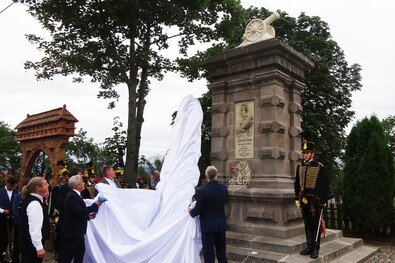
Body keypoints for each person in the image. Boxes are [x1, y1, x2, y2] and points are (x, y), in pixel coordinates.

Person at [294, 140, 333, 259]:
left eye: (307, 153)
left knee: (316, 226)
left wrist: (321, 201)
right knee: (307, 224)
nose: (305, 155)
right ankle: (309, 246)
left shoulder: (320, 167)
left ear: (313, 154)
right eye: (304, 153)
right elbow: (297, 183)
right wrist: (297, 197)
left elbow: (324, 185)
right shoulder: (299, 166)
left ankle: (316, 249)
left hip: (315, 202)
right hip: (304, 201)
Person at [60, 174, 105, 263]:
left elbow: (76, 213)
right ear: (77, 185)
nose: (84, 183)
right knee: (68, 256)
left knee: (79, 254)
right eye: (82, 182)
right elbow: (80, 211)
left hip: (78, 232)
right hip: (72, 233)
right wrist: (95, 204)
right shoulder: (72, 196)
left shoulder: (76, 195)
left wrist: (88, 217)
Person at [189, 166, 228, 263]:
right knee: (222, 253)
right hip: (220, 225)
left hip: (208, 227)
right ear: (216, 174)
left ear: (206, 176)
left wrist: (191, 211)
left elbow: (197, 211)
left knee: (209, 254)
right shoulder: (224, 189)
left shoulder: (202, 192)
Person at [19, 177, 50, 263]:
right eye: (45, 183)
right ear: (38, 188)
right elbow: (34, 227)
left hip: (29, 244)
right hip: (31, 246)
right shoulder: (35, 203)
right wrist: (39, 247)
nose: (48, 185)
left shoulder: (33, 200)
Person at [12, 177, 31, 263]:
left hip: (28, 225)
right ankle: (15, 259)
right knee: (17, 243)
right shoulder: (18, 196)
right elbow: (15, 210)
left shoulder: (31, 197)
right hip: (19, 224)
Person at [0, 176, 19, 261]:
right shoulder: (0, 191)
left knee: (13, 237)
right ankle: (2, 254)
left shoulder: (17, 192)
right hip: (2, 218)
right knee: (2, 237)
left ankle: (12, 254)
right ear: (7, 183)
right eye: (10, 186)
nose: (11, 188)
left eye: (13, 186)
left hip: (13, 218)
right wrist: (2, 210)